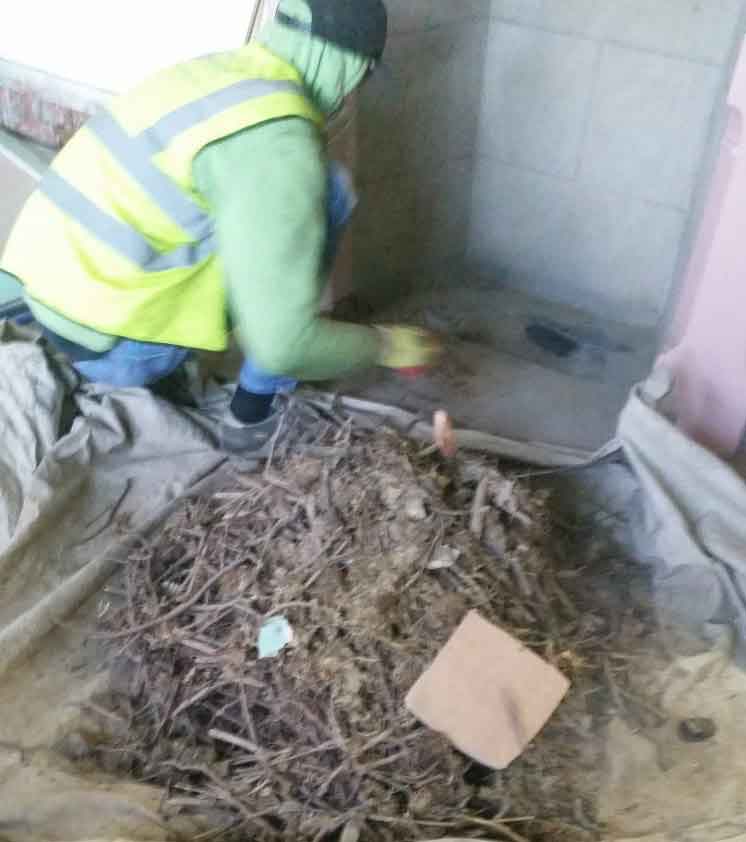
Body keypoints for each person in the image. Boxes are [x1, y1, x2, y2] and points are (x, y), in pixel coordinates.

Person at [0, 0, 439, 453]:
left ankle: (158, 363)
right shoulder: (280, 144)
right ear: (346, 67)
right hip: (114, 347)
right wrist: (384, 346)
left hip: (47, 299)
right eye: (362, 79)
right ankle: (252, 412)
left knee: (261, 221)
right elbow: (282, 346)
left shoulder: (219, 74)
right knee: (329, 195)